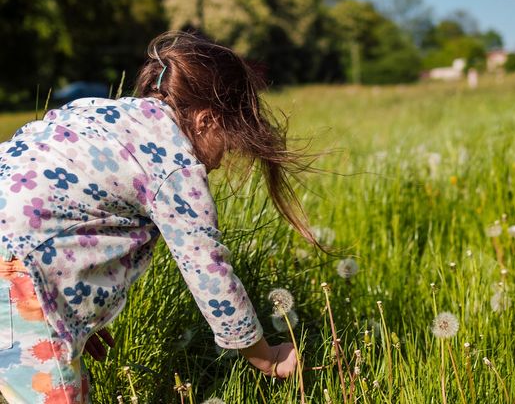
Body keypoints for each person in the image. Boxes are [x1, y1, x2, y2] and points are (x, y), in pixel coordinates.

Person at [0, 31, 315, 403]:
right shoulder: (174, 164)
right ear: (206, 121)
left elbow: (46, 197)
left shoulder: (96, 111)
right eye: (229, 139)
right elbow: (208, 271)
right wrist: (265, 357)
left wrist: (66, 303)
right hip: (19, 275)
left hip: (21, 271)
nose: (223, 156)